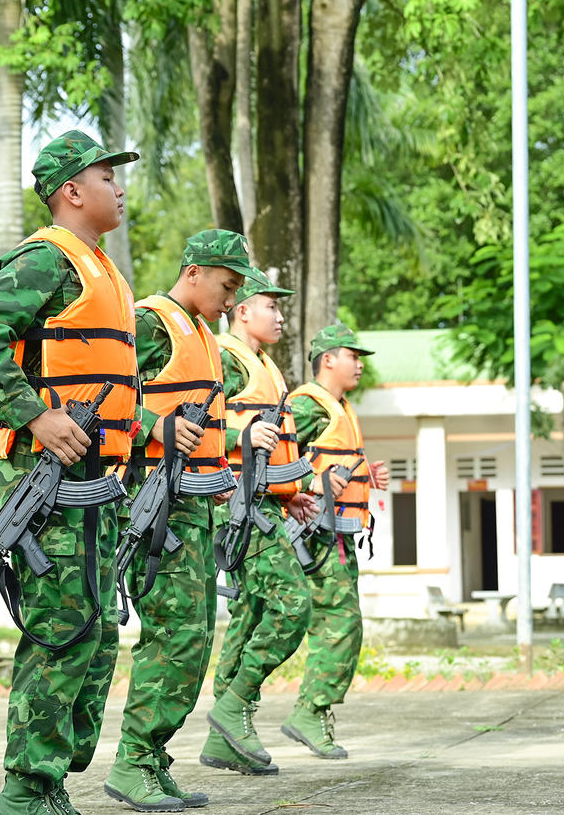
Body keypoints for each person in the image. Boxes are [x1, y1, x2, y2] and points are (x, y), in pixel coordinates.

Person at [0, 130, 140, 815]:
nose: (118, 188)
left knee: (95, 632)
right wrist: (33, 415)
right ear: (72, 191)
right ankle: (26, 792)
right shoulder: (47, 260)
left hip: (94, 484)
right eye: (106, 176)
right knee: (60, 630)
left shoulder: (103, 273)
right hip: (47, 480)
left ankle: (52, 779)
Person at [105, 229, 253, 812]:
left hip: (192, 505)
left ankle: (152, 756)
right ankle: (133, 761)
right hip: (153, 500)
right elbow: (102, 390)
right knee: (172, 634)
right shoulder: (151, 323)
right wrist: (149, 425)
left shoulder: (202, 334)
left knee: (190, 638)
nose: (232, 300)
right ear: (193, 272)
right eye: (226, 285)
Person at [200, 267, 316, 776]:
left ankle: (226, 736)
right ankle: (233, 706)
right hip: (238, 506)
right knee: (293, 606)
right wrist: (236, 445)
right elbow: (196, 420)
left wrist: (287, 494)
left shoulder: (265, 364)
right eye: (272, 305)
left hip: (264, 503)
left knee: (249, 616)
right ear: (243, 310)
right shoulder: (224, 356)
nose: (281, 315)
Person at [285, 323, 388, 759]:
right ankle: (309, 712)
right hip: (317, 535)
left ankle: (309, 711)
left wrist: (364, 476)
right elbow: (279, 458)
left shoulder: (340, 408)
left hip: (338, 538)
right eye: (353, 355)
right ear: (328, 359)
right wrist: (311, 486)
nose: (359, 364)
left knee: (343, 625)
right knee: (340, 625)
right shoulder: (310, 406)